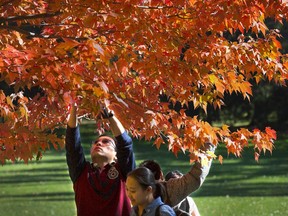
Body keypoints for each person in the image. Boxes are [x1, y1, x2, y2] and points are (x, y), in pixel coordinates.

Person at [65, 103, 136, 216]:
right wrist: (74, 107)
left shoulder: (124, 171)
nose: (99, 143)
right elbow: (72, 145)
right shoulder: (81, 172)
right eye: (96, 143)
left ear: (116, 154)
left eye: (106, 142)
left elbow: (125, 144)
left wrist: (109, 114)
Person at [138, 142, 215, 210]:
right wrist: (209, 145)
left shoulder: (135, 194)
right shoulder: (169, 190)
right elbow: (196, 175)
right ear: (161, 175)